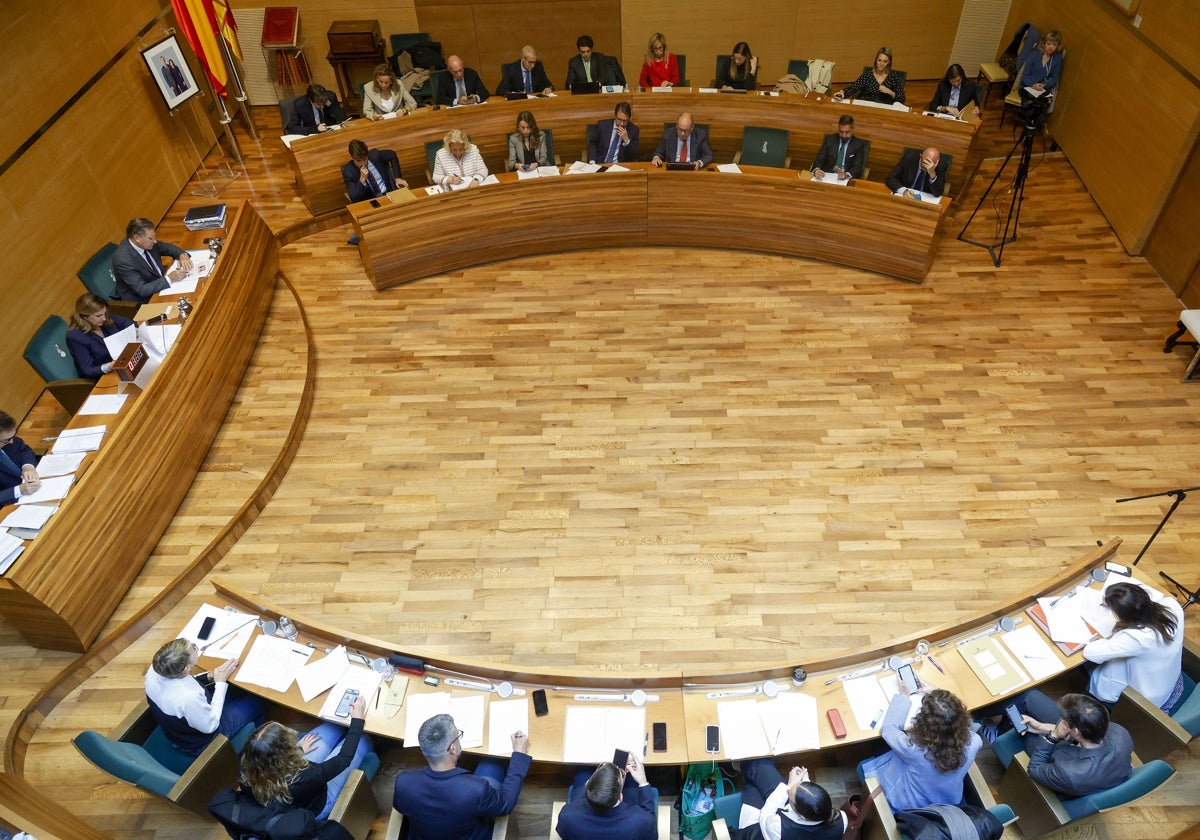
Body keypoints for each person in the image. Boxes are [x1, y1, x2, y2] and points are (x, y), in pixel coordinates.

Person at [393, 713, 531, 840]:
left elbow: (401, 807)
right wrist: (520, 754)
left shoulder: (403, 783)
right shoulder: (476, 789)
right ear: (452, 748)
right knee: (491, 765)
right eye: (458, 735)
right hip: (472, 834)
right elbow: (506, 803)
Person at [239, 698, 373, 820]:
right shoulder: (304, 777)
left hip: (294, 786)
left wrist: (299, 750)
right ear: (285, 754)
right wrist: (357, 721)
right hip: (318, 804)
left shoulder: (246, 771)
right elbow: (343, 759)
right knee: (364, 738)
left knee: (334, 724)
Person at [858, 689, 982, 811]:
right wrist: (936, 696)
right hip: (947, 801)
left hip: (911, 806)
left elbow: (888, 729)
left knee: (881, 745)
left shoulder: (914, 749)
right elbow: (954, 720)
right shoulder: (975, 742)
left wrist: (904, 697)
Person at [143, 638, 265, 756]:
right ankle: (251, 748)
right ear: (186, 668)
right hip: (201, 741)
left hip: (185, 723)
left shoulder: (157, 669)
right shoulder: (188, 698)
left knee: (238, 688)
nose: (197, 648)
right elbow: (211, 725)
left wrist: (210, 676)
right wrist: (220, 683)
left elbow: (182, 682)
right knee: (259, 699)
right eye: (195, 648)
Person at [1084, 580, 1185, 711]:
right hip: (1166, 679)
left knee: (1088, 665)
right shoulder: (1173, 606)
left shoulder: (1139, 638)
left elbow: (1090, 652)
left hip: (1143, 699)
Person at [1013, 690, 1133, 798]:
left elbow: (1034, 769)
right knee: (1029, 696)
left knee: (1022, 727)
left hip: (1060, 765)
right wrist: (1042, 727)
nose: (1062, 719)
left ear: (1076, 731)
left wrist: (1053, 736)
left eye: (1064, 721)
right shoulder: (1120, 733)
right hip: (1079, 748)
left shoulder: (1069, 773)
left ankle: (999, 732)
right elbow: (1087, 735)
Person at [730, 761, 844, 840]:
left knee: (753, 786)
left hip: (762, 828)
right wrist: (806, 782)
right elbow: (810, 802)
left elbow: (765, 814)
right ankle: (746, 770)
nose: (788, 792)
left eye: (790, 796)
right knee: (759, 770)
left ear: (801, 815)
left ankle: (745, 769)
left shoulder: (778, 827)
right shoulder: (841, 819)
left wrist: (789, 785)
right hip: (780, 823)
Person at [555, 755, 657, 840]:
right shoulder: (641, 820)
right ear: (621, 797)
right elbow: (652, 833)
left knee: (583, 770)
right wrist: (643, 782)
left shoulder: (567, 815)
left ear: (587, 787)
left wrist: (595, 784)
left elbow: (563, 833)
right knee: (630, 779)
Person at [111, 217, 193, 304]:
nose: (155, 241)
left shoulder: (145, 243)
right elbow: (142, 290)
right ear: (137, 238)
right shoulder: (123, 260)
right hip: (145, 300)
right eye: (151, 238)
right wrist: (169, 278)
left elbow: (166, 247)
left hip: (160, 283)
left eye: (154, 237)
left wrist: (182, 255)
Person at [66, 293, 136, 380]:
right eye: (98, 316)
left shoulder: (102, 317)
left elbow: (126, 322)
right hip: (104, 376)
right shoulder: (75, 337)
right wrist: (109, 366)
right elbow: (88, 370)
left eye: (104, 313)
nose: (104, 318)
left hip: (124, 362)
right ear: (84, 316)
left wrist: (133, 332)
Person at [834, 47, 905, 105]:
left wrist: (890, 92)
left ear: (889, 63)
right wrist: (842, 92)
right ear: (876, 60)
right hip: (865, 105)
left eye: (885, 61)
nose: (881, 63)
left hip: (882, 107)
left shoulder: (893, 77)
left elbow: (901, 98)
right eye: (879, 60)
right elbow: (853, 87)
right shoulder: (867, 75)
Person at [342, 139, 405, 203]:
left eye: (364, 159)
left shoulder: (375, 155)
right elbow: (354, 198)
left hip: (390, 194)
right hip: (372, 201)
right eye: (358, 161)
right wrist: (362, 179)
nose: (362, 164)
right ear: (352, 158)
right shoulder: (349, 171)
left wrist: (398, 177)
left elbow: (392, 154)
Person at [0, 410, 40, 507]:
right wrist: (18, 490)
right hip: (10, 504)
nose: (12, 441)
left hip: (35, 489)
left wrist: (28, 467)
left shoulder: (8, 439)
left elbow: (24, 450)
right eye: (7, 440)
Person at [811, 115, 868, 180]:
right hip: (826, 176)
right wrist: (816, 170)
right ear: (838, 128)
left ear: (852, 129)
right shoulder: (829, 140)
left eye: (847, 132)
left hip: (846, 179)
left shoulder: (858, 145)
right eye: (841, 132)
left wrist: (846, 175)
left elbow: (857, 167)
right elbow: (819, 159)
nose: (843, 135)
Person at [1014, 30, 1064, 97]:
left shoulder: (1057, 59)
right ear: (1044, 43)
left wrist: (1044, 85)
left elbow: (1054, 78)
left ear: (1058, 46)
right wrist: (1033, 85)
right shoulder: (1034, 54)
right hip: (1028, 87)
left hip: (1043, 89)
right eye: (1049, 44)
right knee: (1031, 102)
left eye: (1054, 44)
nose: (1051, 47)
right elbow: (1025, 76)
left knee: (1038, 103)